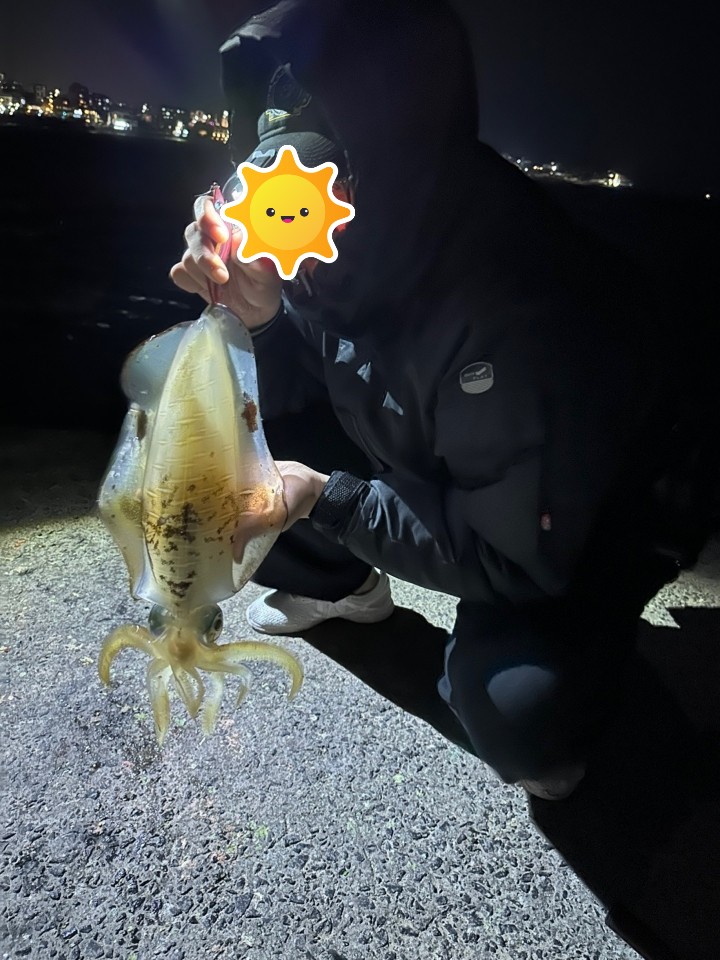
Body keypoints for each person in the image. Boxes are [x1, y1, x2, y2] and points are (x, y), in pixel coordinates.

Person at [170, 0, 719, 799]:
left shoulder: (513, 300)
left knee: (516, 713)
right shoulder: (335, 252)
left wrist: (328, 498)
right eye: (254, 206)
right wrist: (252, 319)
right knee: (223, 445)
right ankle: (345, 586)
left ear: (358, 185)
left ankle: (586, 658)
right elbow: (299, 377)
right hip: (445, 443)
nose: (276, 238)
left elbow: (511, 554)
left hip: (577, 511)